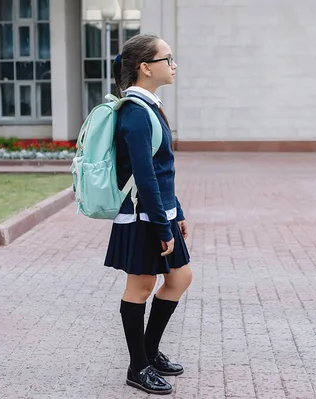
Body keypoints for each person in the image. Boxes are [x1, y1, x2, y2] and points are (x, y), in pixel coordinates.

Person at [104, 34, 192, 395]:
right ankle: (137, 367)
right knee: (139, 288)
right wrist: (162, 225)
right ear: (145, 67)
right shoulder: (136, 113)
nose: (173, 65)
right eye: (167, 59)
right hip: (143, 217)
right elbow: (143, 175)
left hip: (158, 212)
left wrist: (177, 211)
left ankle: (150, 353)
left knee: (180, 278)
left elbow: (160, 169)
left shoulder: (149, 107)